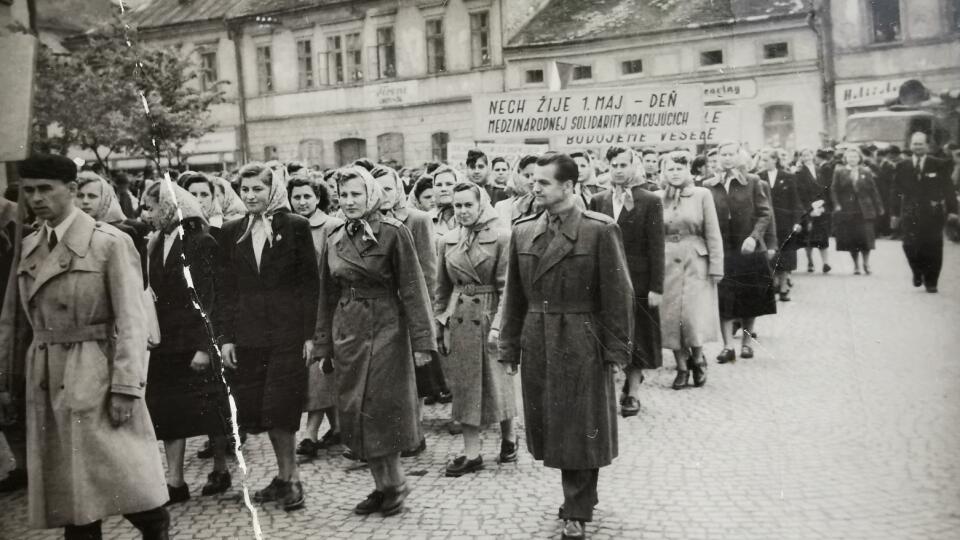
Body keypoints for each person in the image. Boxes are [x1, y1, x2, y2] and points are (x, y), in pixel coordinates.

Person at [2, 154, 169, 538]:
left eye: (47, 189)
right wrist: (5, 382)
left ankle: (156, 528)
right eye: (30, 191)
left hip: (96, 373)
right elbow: (11, 323)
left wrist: (127, 386)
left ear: (73, 190)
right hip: (45, 379)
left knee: (129, 485)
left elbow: (132, 320)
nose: (37, 198)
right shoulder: (27, 247)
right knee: (73, 503)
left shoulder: (109, 243)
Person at [498, 152, 634, 540]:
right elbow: (514, 299)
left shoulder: (599, 230)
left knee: (580, 426)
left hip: (582, 339)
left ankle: (577, 507)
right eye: (532, 181)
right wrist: (509, 347)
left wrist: (616, 352)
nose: (533, 187)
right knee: (550, 427)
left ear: (569, 186)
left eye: (543, 182)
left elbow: (618, 297)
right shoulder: (524, 231)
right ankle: (576, 497)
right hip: (538, 338)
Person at [313, 166, 436, 517]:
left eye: (356, 194)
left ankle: (395, 483)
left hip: (387, 329)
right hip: (347, 330)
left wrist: (423, 343)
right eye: (344, 195)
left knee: (383, 407)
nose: (349, 201)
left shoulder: (394, 233)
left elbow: (414, 289)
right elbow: (325, 294)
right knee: (356, 409)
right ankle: (381, 486)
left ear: (371, 196)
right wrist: (323, 344)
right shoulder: (335, 236)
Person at [216, 162, 319, 511]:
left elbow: (310, 284)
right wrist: (226, 337)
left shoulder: (295, 227)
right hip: (249, 336)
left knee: (282, 406)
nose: (250, 195)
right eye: (244, 190)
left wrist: (310, 335)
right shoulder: (231, 232)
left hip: (288, 334)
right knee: (263, 409)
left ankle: (292, 479)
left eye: (257, 189)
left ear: (272, 190)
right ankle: (281, 476)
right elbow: (226, 290)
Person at [139, 179, 232, 503]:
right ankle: (175, 481)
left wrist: (205, 346)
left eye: (152, 207)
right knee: (169, 412)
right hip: (165, 343)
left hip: (194, 340)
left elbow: (210, 298)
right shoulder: (156, 241)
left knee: (211, 407)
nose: (147, 214)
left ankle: (220, 468)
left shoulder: (200, 241)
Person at [435, 182, 518, 477]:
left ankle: (509, 436)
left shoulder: (502, 238)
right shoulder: (447, 240)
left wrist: (499, 325)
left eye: (468, 204)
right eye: (457, 206)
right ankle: (472, 453)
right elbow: (441, 288)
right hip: (460, 318)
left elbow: (507, 287)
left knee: (498, 381)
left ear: (481, 204)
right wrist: (440, 323)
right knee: (465, 384)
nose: (462, 211)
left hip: (490, 313)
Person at [371, 164, 444, 453]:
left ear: (399, 189)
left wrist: (428, 315)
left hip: (410, 304)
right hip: (382, 308)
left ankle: (415, 431)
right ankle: (394, 431)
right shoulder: (370, 220)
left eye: (388, 188)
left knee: (417, 372)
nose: (383, 195)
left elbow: (428, 271)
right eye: (377, 190)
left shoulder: (418, 219)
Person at [588, 146, 663, 416]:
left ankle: (633, 392)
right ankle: (610, 388)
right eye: (614, 165)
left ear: (634, 167)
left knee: (639, 333)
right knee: (609, 331)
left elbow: (657, 247)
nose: (618, 170)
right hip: (607, 280)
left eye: (623, 165)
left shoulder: (650, 200)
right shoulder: (598, 200)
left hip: (639, 281)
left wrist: (657, 286)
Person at [286, 174, 344, 459]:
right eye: (296, 197)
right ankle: (338, 427)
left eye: (307, 196)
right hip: (298, 309)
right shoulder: (287, 226)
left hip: (326, 306)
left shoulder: (332, 226)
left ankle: (310, 433)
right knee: (318, 370)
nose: (302, 202)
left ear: (318, 197)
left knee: (319, 368)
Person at [703, 142, 775, 364]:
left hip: (748, 249)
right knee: (725, 297)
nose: (726, 158)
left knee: (749, 297)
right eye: (722, 154)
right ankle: (727, 346)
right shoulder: (708, 185)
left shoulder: (752, 182)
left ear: (739, 156)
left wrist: (754, 237)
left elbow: (765, 213)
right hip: (722, 249)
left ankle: (745, 343)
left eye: (731, 154)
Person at [657, 152, 723, 389]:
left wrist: (717, 265)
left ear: (687, 171)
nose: (674, 173)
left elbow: (713, 232)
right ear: (664, 172)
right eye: (670, 169)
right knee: (671, 316)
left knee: (692, 315)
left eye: (679, 168)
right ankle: (681, 367)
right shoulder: (657, 198)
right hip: (665, 262)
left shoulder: (702, 195)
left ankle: (698, 358)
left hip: (695, 260)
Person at [891, 132, 959, 293]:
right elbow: (895, 191)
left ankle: (931, 281)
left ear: (927, 146)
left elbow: (948, 189)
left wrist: (953, 210)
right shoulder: (902, 166)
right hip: (910, 213)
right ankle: (917, 271)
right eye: (914, 144)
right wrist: (894, 214)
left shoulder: (939, 164)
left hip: (932, 213)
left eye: (920, 144)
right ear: (910, 146)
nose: (917, 147)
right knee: (909, 245)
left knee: (933, 247)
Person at [758, 148, 804, 300]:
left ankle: (784, 286)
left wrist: (797, 221)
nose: (763, 163)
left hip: (785, 221)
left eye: (766, 160)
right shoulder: (758, 177)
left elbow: (796, 201)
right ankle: (772, 284)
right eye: (762, 160)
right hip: (766, 222)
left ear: (775, 160)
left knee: (786, 253)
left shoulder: (788, 177)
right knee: (769, 254)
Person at [831, 147, 885, 275]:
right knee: (852, 238)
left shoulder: (866, 171)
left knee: (866, 237)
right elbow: (834, 190)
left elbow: (873, 190)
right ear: (845, 159)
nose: (852, 159)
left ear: (860, 158)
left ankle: (866, 263)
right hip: (847, 209)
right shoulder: (840, 172)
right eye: (850, 157)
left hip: (864, 209)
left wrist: (879, 207)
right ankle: (856, 265)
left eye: (855, 157)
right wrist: (837, 204)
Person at [795, 148, 832, 273]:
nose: (807, 157)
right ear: (801, 157)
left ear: (813, 155)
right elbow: (800, 193)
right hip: (808, 207)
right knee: (808, 236)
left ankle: (825, 263)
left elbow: (826, 188)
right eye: (804, 155)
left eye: (809, 154)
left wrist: (822, 203)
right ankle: (810, 261)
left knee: (823, 236)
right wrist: (810, 208)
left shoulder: (820, 169)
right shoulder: (799, 173)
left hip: (821, 206)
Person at [494, 154, 540, 226]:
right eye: (526, 176)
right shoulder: (502, 207)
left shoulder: (546, 207)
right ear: (517, 176)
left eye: (535, 176)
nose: (531, 181)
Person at [431, 165, 462, 238]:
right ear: (433, 189)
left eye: (449, 184)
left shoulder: (468, 216)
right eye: (439, 185)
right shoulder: (426, 219)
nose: (443, 189)